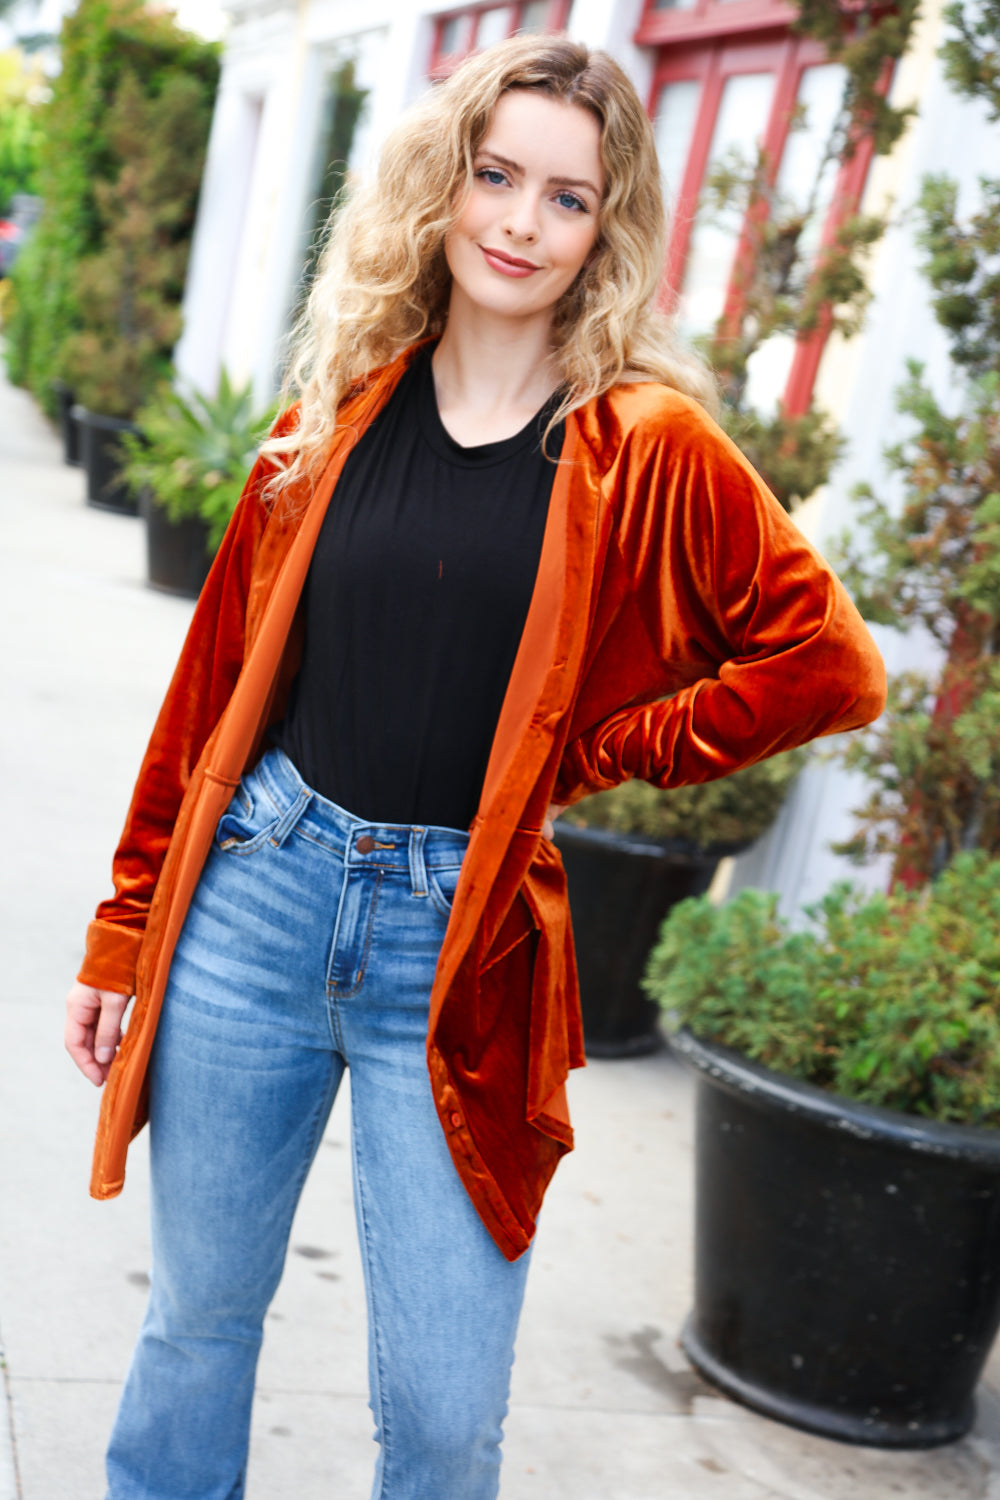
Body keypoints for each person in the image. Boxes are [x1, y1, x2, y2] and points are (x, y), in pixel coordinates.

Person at [64, 33, 887, 1500]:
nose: (519, 222)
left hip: (464, 940)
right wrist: (128, 930)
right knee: (196, 1329)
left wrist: (612, 743)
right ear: (443, 189)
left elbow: (828, 665)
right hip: (258, 897)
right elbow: (206, 710)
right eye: (495, 176)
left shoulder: (645, 449)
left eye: (565, 199)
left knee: (445, 1420)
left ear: (606, 229)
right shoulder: (338, 412)